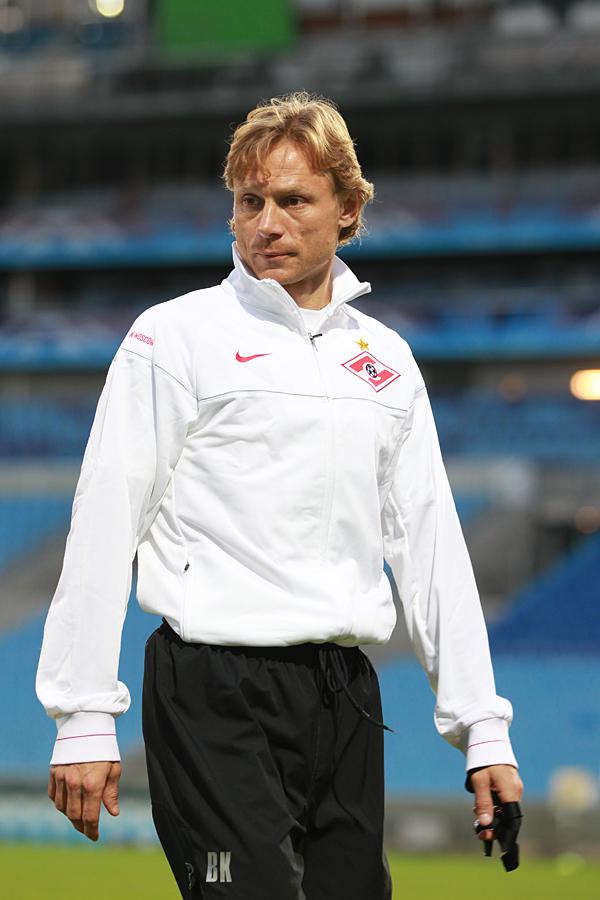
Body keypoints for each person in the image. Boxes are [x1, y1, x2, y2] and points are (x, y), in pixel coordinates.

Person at [36, 92, 523, 899]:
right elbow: (105, 522)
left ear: (348, 208)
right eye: (249, 201)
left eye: (294, 201)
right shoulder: (173, 336)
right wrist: (83, 713)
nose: (267, 223)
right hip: (211, 694)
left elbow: (430, 546)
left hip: (346, 699)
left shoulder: (387, 361)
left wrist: (483, 729)